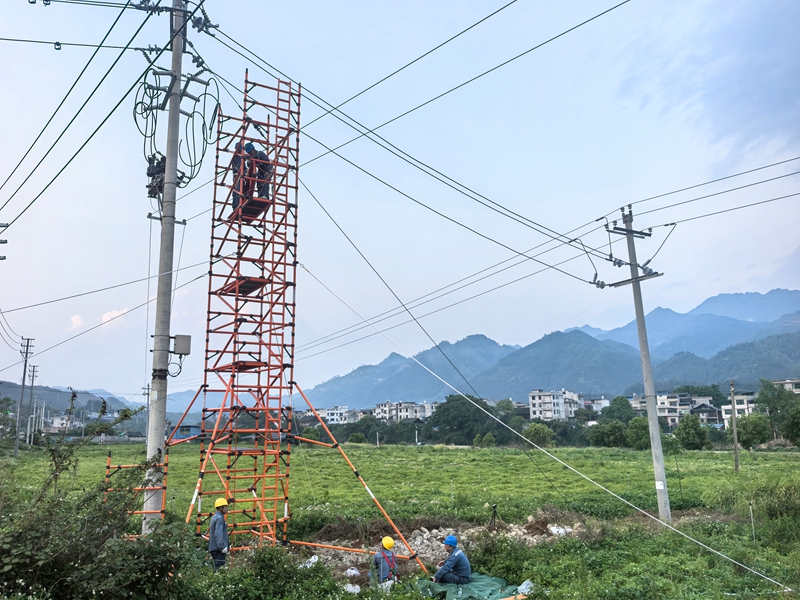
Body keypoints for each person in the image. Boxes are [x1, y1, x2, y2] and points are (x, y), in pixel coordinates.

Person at [208, 497, 230, 570]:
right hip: (218, 550)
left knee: (216, 570)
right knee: (219, 571)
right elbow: (218, 534)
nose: (227, 508)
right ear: (221, 508)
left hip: (214, 548)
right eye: (226, 507)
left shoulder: (215, 517)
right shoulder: (220, 518)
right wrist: (222, 547)